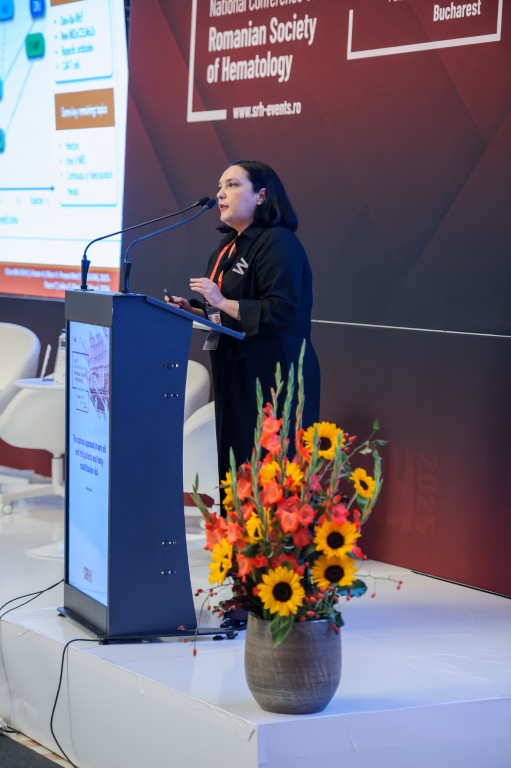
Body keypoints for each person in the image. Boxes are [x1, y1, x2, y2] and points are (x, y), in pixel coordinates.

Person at [166, 160, 320, 509]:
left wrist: (220, 301)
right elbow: (226, 314)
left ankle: (271, 541)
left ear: (261, 195)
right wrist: (196, 311)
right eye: (220, 186)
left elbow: (280, 310)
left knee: (270, 473)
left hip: (275, 377)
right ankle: (237, 541)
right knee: (236, 468)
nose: (221, 194)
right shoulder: (227, 248)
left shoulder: (278, 243)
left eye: (233, 185)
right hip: (235, 372)